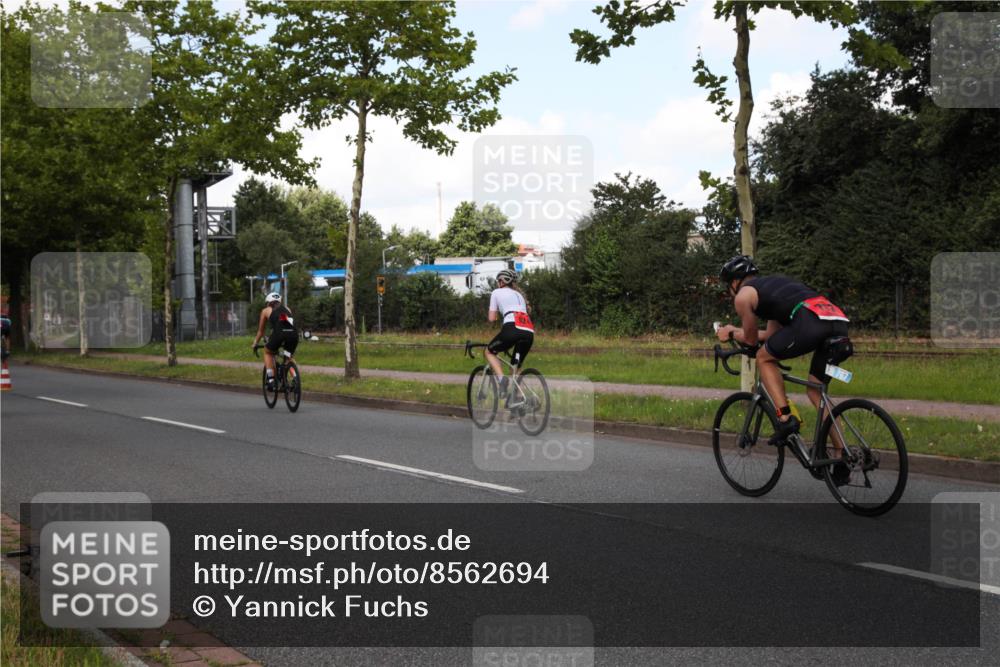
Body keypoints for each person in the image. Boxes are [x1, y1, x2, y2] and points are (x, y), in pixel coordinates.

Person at [715, 255, 851, 483]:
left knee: (763, 358)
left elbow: (750, 342)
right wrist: (739, 332)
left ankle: (785, 417)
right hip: (837, 322)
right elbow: (769, 336)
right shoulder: (774, 290)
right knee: (816, 391)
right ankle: (842, 454)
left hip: (810, 322)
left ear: (734, 282)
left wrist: (730, 332)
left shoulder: (743, 296)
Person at [485, 269, 534, 398]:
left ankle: (502, 380)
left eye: (498, 281)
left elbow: (491, 318)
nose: (497, 284)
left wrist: (495, 318)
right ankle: (519, 400)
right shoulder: (519, 295)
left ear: (501, 281)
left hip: (512, 329)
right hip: (529, 331)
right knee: (515, 367)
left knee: (489, 351)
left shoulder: (496, 292)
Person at [252, 292, 298, 389]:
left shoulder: (266, 310)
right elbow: (285, 323)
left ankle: (271, 380)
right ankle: (296, 378)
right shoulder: (287, 309)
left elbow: (261, 331)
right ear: (279, 301)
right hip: (293, 334)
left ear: (268, 302)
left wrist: (255, 343)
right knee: (288, 356)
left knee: (268, 352)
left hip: (280, 334)